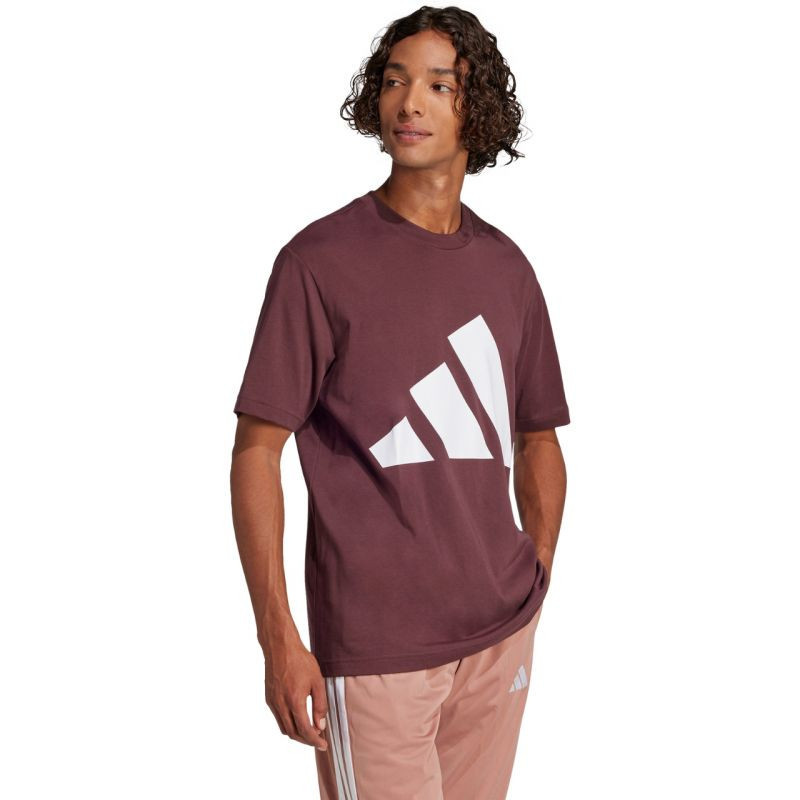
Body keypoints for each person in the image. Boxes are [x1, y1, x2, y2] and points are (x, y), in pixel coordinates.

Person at [230, 7, 570, 798]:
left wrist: (537, 570)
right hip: (377, 650)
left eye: (438, 86)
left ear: (475, 110)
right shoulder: (319, 263)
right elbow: (256, 451)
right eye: (393, 81)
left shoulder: (508, 270)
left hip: (498, 637)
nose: (409, 102)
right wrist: (278, 636)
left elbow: (540, 437)